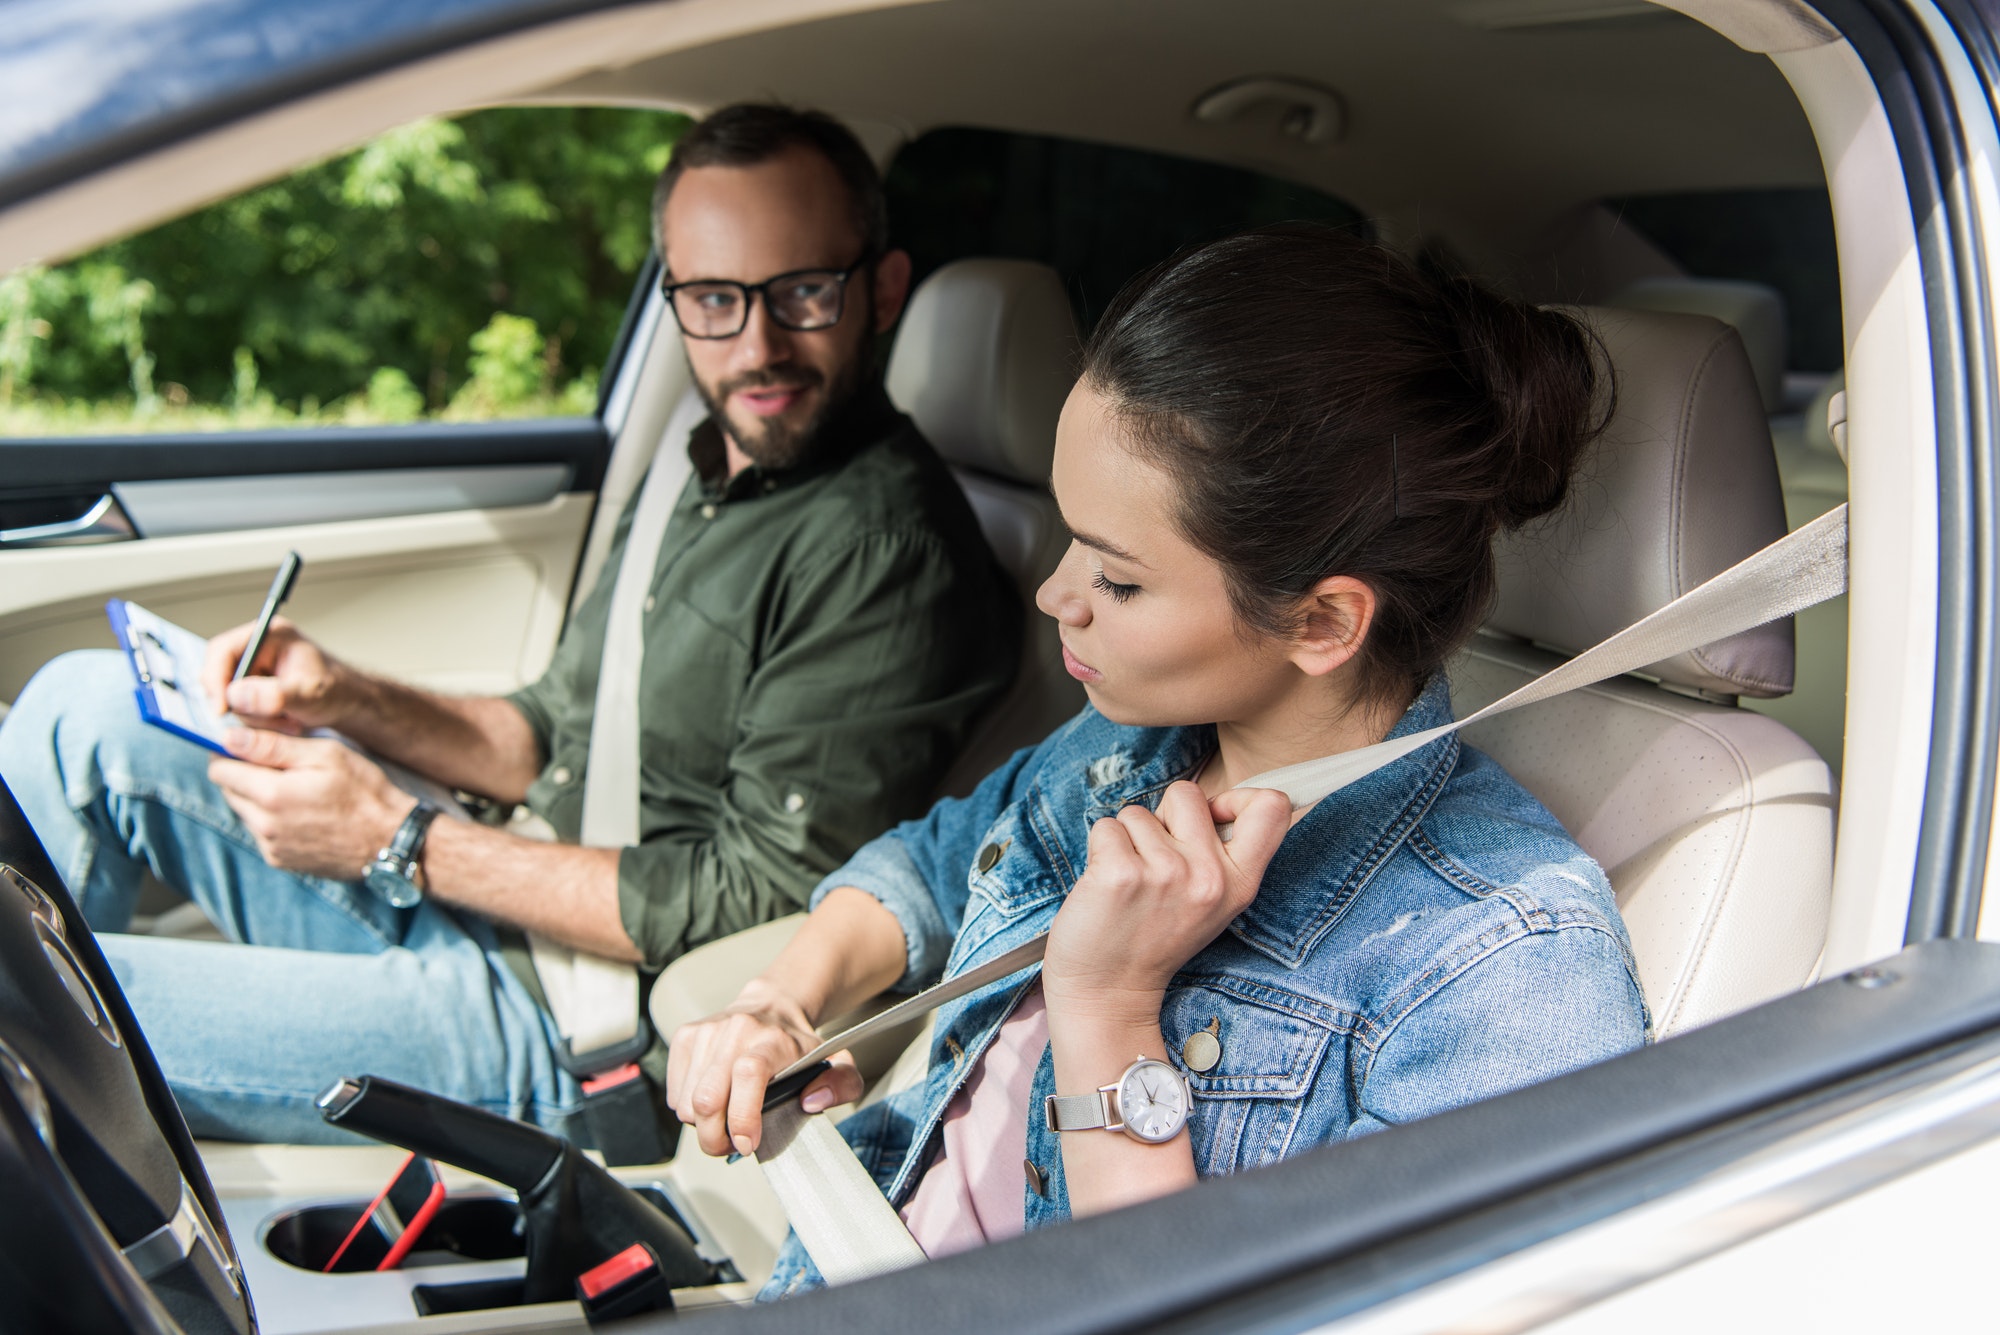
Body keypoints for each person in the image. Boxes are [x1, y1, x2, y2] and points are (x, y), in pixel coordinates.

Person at [0, 104, 1021, 1145]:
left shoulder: (887, 550)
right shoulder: (713, 466)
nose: (756, 346)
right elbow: (549, 730)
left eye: (803, 293)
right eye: (714, 299)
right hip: (507, 895)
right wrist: (350, 697)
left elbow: (756, 893)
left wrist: (396, 838)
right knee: (77, 705)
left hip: (574, 1032)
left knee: (29, 993)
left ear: (882, 289)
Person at [665, 224, 1650, 1298]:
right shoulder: (1120, 748)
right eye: (1072, 539)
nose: (1056, 593)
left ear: (1320, 623)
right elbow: (927, 865)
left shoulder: (1501, 966)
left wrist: (1109, 1013)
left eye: (1119, 581)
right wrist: (783, 1003)